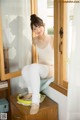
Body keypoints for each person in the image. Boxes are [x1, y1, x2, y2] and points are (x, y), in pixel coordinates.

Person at [21, 14, 54, 115]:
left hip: (51, 69)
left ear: (43, 26)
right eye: (35, 28)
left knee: (34, 66)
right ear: (33, 31)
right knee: (25, 68)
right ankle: (31, 91)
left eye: (39, 26)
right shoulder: (34, 41)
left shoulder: (52, 38)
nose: (38, 30)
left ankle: (35, 102)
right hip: (41, 68)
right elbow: (29, 54)